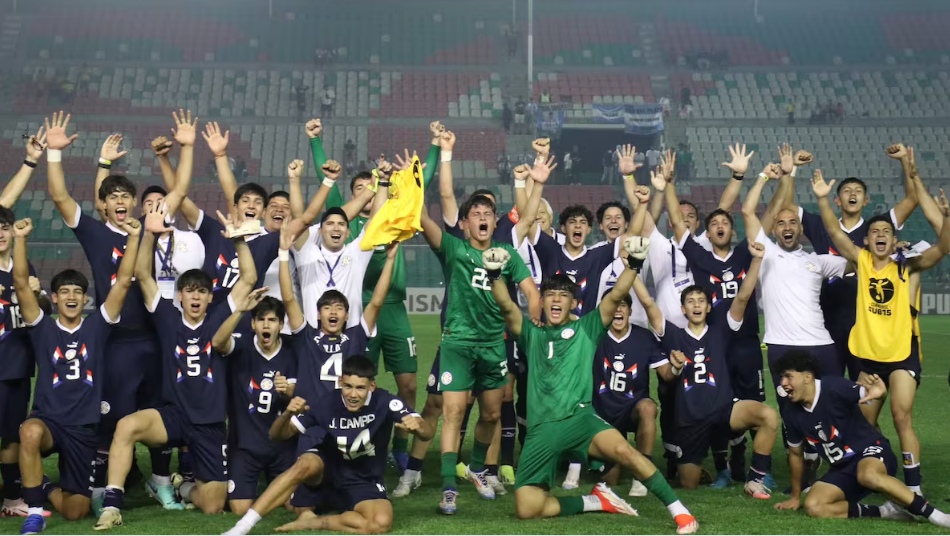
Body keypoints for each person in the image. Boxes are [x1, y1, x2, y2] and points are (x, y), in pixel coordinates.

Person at [488, 237, 698, 535]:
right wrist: (495, 275)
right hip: (541, 430)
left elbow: (616, 296)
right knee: (527, 508)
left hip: (580, 420)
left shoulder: (585, 328)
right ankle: (595, 501)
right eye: (550, 295)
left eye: (563, 296)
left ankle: (681, 513)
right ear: (542, 300)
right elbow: (506, 306)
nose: (556, 300)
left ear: (574, 303)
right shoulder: (530, 334)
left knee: (626, 452)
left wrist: (634, 265)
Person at [46, 111, 194, 509]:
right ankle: (101, 487)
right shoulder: (95, 234)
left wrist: (188, 147)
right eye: (113, 197)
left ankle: (160, 482)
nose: (121, 202)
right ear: (104, 205)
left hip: (154, 336)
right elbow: (60, 197)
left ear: (134, 203)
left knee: (161, 409)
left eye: (126, 196)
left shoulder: (149, 227)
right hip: (115, 341)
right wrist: (55, 155)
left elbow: (178, 191)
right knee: (112, 415)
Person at [93, 206, 262, 529]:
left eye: (201, 292)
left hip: (210, 424)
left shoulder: (219, 315)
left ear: (210, 298)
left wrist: (240, 242)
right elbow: (143, 273)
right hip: (174, 416)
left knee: (213, 505)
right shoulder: (167, 316)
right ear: (180, 296)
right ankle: (112, 505)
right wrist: (149, 235)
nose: (196, 297)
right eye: (189, 292)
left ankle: (178, 485)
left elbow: (249, 279)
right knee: (126, 425)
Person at [810, 168, 950, 495]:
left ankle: (913, 489)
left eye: (886, 230)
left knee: (902, 416)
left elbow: (942, 248)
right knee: (861, 423)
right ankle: (854, 479)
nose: (881, 235)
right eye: (875, 232)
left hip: (901, 355)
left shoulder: (906, 265)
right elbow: (834, 229)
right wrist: (821, 198)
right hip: (867, 359)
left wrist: (946, 219)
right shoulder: (860, 260)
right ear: (869, 240)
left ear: (892, 237)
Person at [417, 153, 544, 512]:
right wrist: (413, 188)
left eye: (489, 213)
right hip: (457, 344)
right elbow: (425, 219)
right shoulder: (454, 250)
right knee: (454, 412)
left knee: (491, 414)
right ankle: (447, 489)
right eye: (476, 214)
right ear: (466, 224)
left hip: (494, 345)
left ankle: (476, 468)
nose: (484, 217)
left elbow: (531, 292)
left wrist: (533, 319)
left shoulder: (506, 253)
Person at [318, 121, 443, 470]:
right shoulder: (349, 229)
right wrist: (316, 142)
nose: (367, 192)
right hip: (361, 314)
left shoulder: (390, 217)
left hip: (395, 312)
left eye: (370, 187)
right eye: (359, 188)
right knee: (352, 385)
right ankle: (354, 446)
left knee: (407, 384)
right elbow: (327, 190)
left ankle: (400, 449)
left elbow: (422, 181)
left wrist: (432, 146)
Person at [15, 216, 139, 535]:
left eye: (78, 292)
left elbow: (123, 282)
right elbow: (19, 284)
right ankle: (34, 511)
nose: (71, 296)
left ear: (86, 299)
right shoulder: (43, 328)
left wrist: (136, 239)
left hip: (83, 428)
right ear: (54, 298)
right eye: (64, 291)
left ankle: (43, 486)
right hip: (49, 422)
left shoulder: (97, 326)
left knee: (76, 511)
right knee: (28, 432)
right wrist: (20, 239)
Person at [223, 356, 435, 535]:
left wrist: (418, 426)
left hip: (363, 479)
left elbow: (427, 434)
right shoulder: (325, 402)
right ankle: (242, 527)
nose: (353, 395)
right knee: (305, 464)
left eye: (360, 388)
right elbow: (277, 435)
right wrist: (287, 413)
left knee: (381, 523)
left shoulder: (386, 402)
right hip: (327, 471)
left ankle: (315, 522)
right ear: (341, 381)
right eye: (348, 386)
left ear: (372, 386)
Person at [279, 220, 397, 513]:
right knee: (301, 506)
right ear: (318, 314)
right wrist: (283, 255)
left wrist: (391, 260)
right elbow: (288, 298)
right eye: (327, 308)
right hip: (314, 422)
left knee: (344, 488)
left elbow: (377, 301)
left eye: (339, 308)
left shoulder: (356, 335)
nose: (333, 312)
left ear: (347, 315)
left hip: (348, 421)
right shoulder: (306, 336)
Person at [650, 240, 777, 499]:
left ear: (709, 307)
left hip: (724, 411)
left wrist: (756, 261)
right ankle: (706, 468)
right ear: (682, 309)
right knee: (689, 485)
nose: (696, 305)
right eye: (690, 301)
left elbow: (742, 296)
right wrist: (634, 268)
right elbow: (649, 306)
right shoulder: (673, 336)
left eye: (701, 301)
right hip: (690, 420)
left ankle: (755, 479)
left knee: (768, 416)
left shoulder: (722, 330)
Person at [781, 145, 917, 381]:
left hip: (865, 324)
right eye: (846, 190)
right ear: (836, 199)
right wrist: (792, 170)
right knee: (827, 384)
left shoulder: (878, 228)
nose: (852, 193)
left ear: (866, 200)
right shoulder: (821, 223)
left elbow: (912, 199)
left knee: (863, 389)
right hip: (826, 320)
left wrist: (904, 161)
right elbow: (785, 207)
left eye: (857, 191)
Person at [772, 351, 950, 527]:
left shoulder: (833, 388)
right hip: (842, 466)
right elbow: (795, 454)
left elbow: (872, 393)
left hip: (871, 450)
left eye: (789, 377)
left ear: (807, 377)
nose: (783, 383)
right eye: (782, 378)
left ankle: (936, 515)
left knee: (868, 475)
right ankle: (886, 511)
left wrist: (879, 393)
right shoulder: (790, 411)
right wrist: (795, 497)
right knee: (814, 506)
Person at [0, 128, 47, 517]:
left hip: (15, 363)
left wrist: (36, 290)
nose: (1, 232)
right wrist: (30, 162)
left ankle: (13, 496)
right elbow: (3, 203)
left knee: (11, 433)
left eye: (5, 227)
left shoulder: (21, 266)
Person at [222, 296, 298, 516]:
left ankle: (273, 485)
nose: (267, 325)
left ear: (281, 325)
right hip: (246, 445)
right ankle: (186, 488)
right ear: (252, 324)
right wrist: (238, 310)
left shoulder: (292, 351)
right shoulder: (241, 345)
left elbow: (301, 396)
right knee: (239, 509)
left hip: (282, 446)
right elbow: (218, 342)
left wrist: (288, 390)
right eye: (261, 319)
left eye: (272, 320)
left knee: (296, 505)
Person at [592, 290, 664, 497]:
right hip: (603, 414)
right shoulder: (594, 335)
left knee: (648, 407)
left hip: (632, 409)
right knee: (610, 480)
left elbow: (667, 373)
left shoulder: (644, 337)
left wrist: (677, 366)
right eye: (613, 304)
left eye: (623, 305)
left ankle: (643, 472)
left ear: (630, 310)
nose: (618, 309)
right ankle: (588, 462)